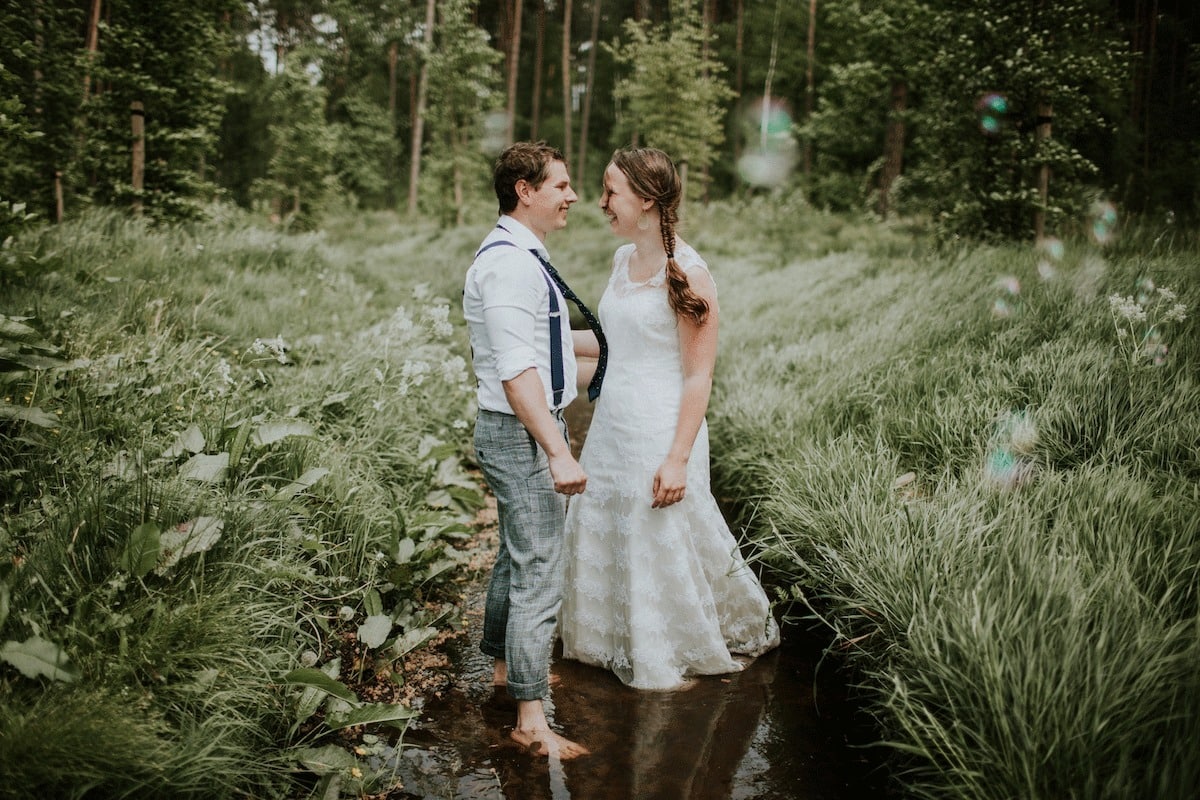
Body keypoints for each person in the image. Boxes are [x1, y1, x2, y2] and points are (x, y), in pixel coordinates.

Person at [559, 146, 780, 690]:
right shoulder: (621, 262)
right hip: (612, 426)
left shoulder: (690, 273)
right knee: (608, 523)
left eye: (611, 191)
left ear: (647, 200)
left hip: (661, 430)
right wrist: (542, 343)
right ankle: (606, 643)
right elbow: (614, 345)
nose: (602, 202)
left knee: (656, 534)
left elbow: (697, 376)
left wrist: (677, 459)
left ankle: (664, 649)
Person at [463, 141, 595, 758]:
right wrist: (559, 452)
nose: (571, 196)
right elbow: (518, 372)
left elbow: (540, 338)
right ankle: (529, 718)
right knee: (540, 565)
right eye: (561, 185)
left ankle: (503, 673)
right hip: (522, 432)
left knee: (516, 558)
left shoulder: (519, 257)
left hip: (517, 429)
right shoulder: (511, 264)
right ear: (525, 189)